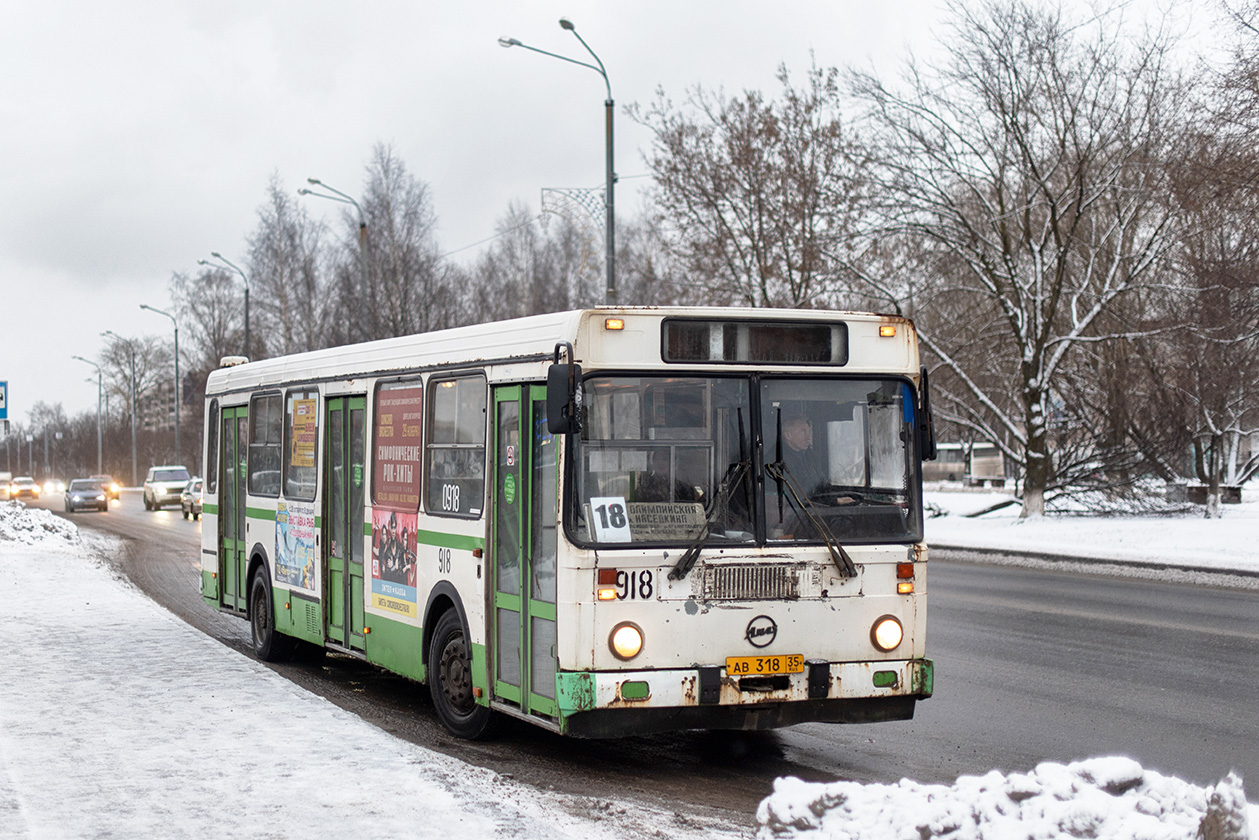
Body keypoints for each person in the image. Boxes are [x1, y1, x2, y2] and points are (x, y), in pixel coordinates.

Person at [778, 414, 829, 497]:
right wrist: (832, 501)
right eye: (803, 432)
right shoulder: (778, 459)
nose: (808, 437)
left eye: (809, 432)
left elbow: (822, 484)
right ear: (788, 435)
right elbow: (798, 494)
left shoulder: (810, 455)